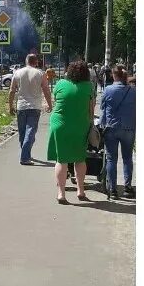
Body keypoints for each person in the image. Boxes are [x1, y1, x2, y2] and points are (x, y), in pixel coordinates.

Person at [47, 61, 94, 204]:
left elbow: (57, 101)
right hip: (80, 125)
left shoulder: (60, 84)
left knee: (61, 159)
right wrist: (90, 123)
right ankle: (80, 190)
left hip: (59, 124)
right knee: (80, 158)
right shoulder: (89, 87)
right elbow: (91, 110)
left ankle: (61, 193)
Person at [8, 54, 53, 165]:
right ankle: (25, 157)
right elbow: (46, 90)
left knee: (23, 132)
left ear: (26, 61)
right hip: (34, 106)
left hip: (21, 106)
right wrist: (50, 104)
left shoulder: (17, 73)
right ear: (36, 62)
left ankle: (25, 154)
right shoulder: (40, 73)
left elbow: (12, 90)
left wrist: (10, 106)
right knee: (31, 131)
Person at [100, 65, 136, 199]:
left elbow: (103, 110)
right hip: (129, 128)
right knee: (127, 158)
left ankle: (113, 190)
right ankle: (127, 188)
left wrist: (101, 125)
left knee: (111, 159)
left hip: (111, 128)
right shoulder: (133, 91)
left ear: (113, 76)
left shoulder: (108, 90)